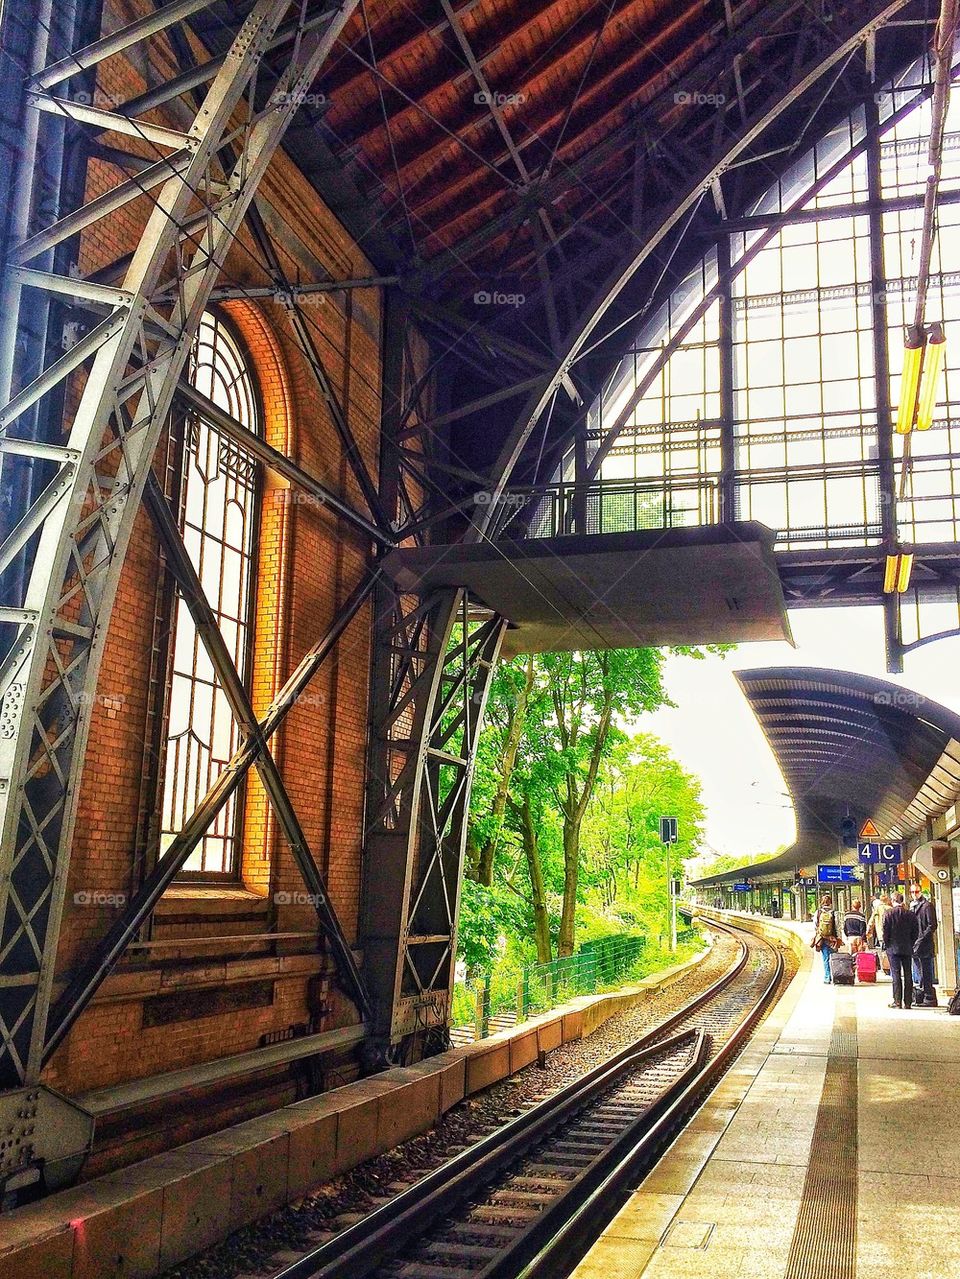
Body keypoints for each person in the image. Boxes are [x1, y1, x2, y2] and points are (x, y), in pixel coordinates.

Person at [882, 891, 920, 1009]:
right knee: (908, 974)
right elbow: (916, 932)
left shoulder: (888, 914)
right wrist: (911, 943)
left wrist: (887, 944)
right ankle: (908, 1002)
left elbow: (885, 932)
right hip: (907, 947)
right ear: (902, 900)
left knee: (896, 974)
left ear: (893, 900)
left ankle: (897, 1001)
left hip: (893, 948)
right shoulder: (910, 914)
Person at [910, 882, 939, 1007]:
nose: (914, 894)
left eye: (916, 892)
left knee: (926, 972)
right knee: (920, 972)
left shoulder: (927, 906)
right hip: (915, 945)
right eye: (912, 892)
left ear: (920, 892)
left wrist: (921, 939)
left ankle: (929, 997)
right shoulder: (913, 906)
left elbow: (932, 925)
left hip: (924, 945)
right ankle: (923, 995)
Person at [811, 894, 840, 982]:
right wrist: (838, 938)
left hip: (822, 938)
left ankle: (827, 977)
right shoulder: (834, 912)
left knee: (825, 958)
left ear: (822, 902)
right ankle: (835, 975)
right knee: (834, 958)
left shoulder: (818, 912)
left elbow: (815, 925)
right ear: (830, 902)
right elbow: (838, 926)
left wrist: (818, 933)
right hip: (832, 939)